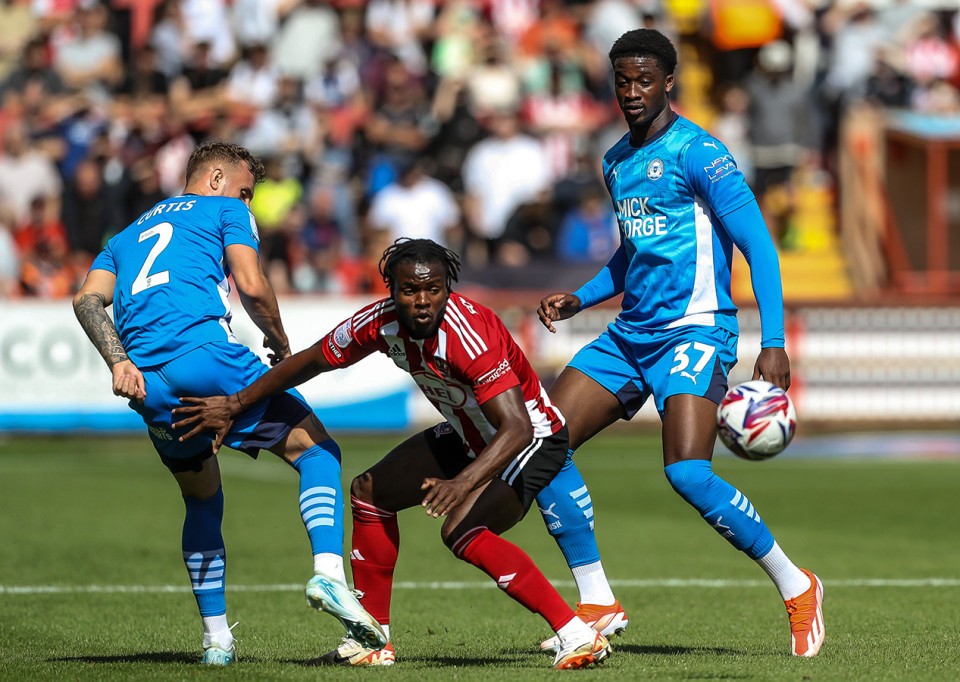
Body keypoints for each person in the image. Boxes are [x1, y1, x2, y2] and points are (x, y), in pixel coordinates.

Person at [171, 238, 613, 670]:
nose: (422, 300)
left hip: (532, 439)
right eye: (410, 290)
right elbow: (310, 361)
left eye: (433, 289)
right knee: (369, 492)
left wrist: (462, 483)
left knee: (461, 531)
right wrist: (236, 403)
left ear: (447, 288)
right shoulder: (378, 322)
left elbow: (516, 428)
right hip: (467, 434)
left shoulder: (468, 334)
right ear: (392, 290)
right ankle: (371, 640)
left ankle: (575, 633)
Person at [536, 29, 825, 657]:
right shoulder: (614, 160)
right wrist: (578, 298)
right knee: (541, 441)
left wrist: (772, 342)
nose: (632, 92)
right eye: (622, 80)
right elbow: (630, 253)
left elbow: (759, 247)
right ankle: (596, 598)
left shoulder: (702, 152)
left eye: (644, 80)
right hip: (629, 336)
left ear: (670, 81)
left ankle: (797, 584)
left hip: (695, 331)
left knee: (688, 472)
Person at [71, 141, 385, 666]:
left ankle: (217, 642)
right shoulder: (226, 209)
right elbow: (253, 285)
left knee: (201, 497)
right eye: (245, 189)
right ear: (216, 178)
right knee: (317, 450)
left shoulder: (125, 235)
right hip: (206, 355)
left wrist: (118, 363)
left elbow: (86, 300)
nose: (248, 200)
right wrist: (281, 343)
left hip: (148, 381)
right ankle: (330, 575)